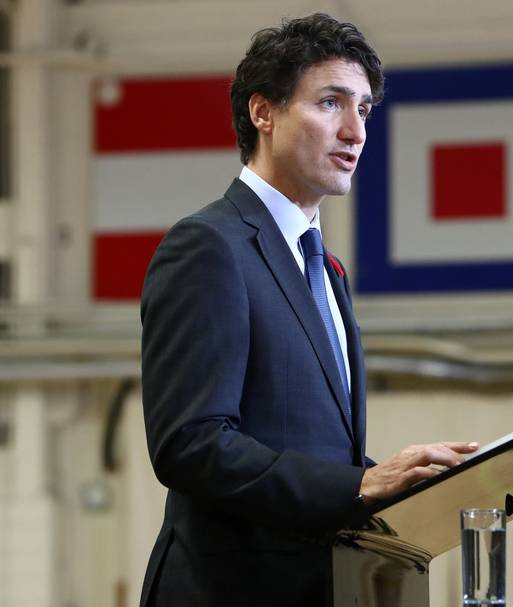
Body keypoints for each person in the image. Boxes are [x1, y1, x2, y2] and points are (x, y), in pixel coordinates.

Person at [139, 14, 477, 606]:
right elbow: (190, 443)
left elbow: (312, 448)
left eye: (365, 110)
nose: (355, 131)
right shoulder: (209, 246)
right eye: (330, 103)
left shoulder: (326, 268)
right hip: (230, 591)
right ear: (263, 113)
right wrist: (360, 484)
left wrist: (405, 479)